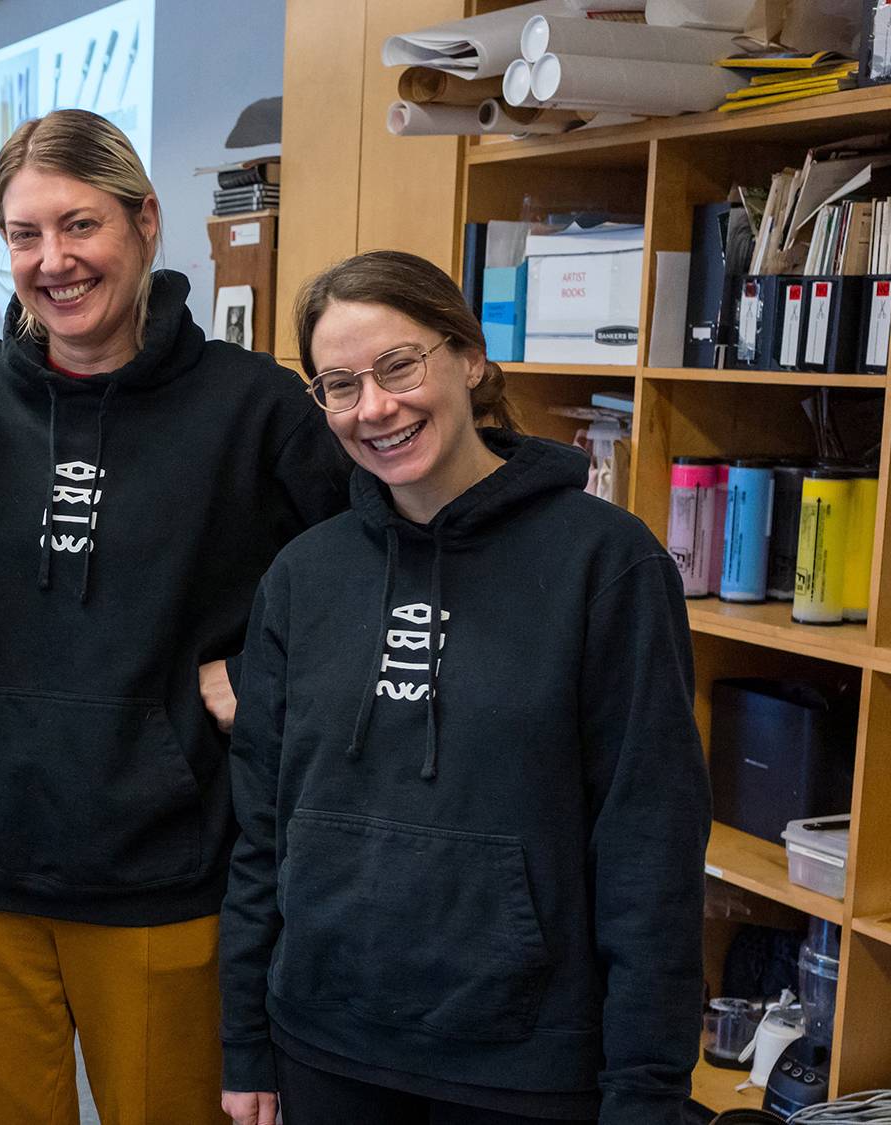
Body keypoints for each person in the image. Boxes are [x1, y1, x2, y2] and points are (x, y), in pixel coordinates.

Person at [0, 108, 348, 1125]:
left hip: (163, 863)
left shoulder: (252, 408)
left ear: (144, 222)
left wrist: (268, 669)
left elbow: (368, 561)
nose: (52, 260)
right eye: (24, 234)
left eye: (79, 226)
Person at [219, 251, 710, 1125]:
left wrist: (647, 1091)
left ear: (470, 357)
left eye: (399, 366)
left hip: (527, 1064)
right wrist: (246, 1039)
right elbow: (262, 828)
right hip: (326, 1043)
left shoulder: (608, 563)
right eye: (339, 384)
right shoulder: (303, 575)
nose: (374, 407)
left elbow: (651, 847)